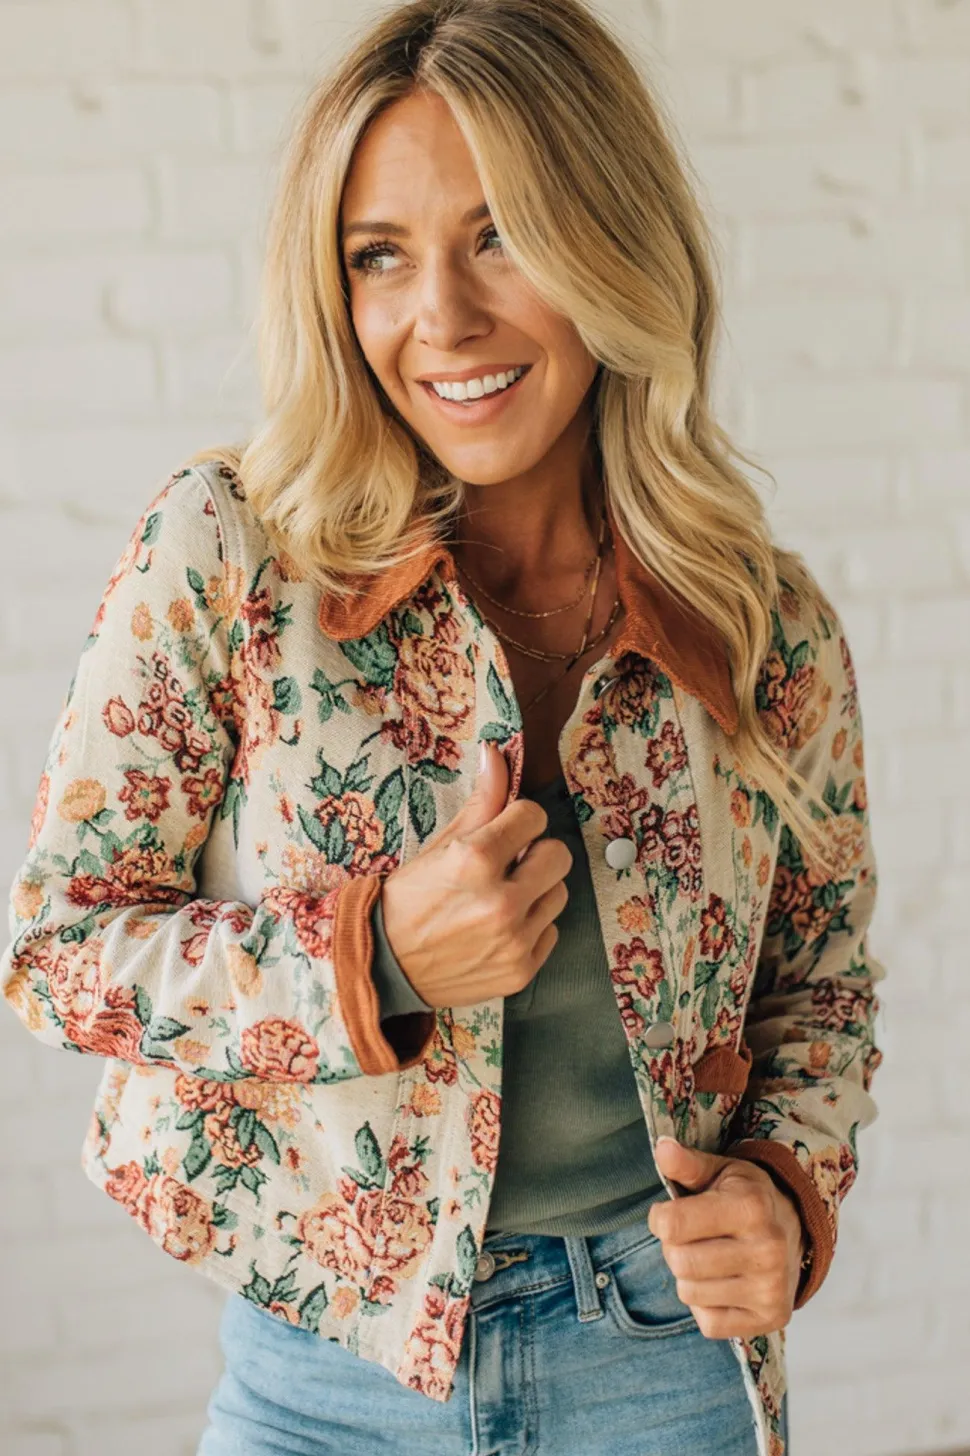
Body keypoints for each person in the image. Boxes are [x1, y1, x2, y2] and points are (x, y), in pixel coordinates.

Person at [0, 1, 885, 1453]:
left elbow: (821, 985)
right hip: (322, 1372)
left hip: (661, 1365)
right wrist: (375, 957)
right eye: (380, 256)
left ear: (611, 243)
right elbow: (55, 949)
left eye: (503, 236)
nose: (444, 319)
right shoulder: (230, 555)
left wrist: (785, 1193)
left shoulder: (758, 622)